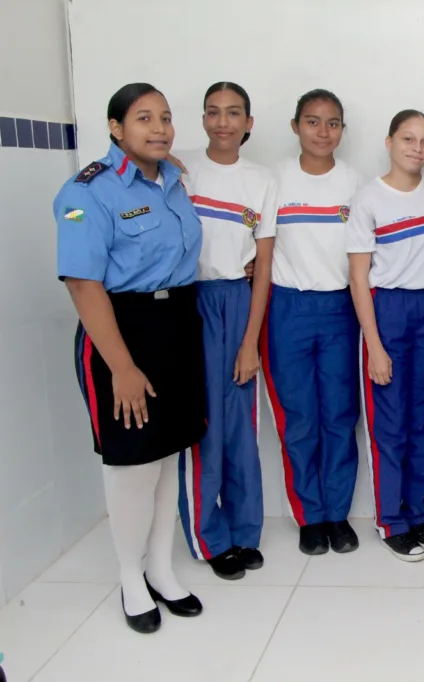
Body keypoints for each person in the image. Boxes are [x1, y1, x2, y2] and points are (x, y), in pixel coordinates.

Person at [54, 83, 204, 633]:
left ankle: (163, 569)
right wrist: (121, 366)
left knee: (168, 457)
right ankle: (130, 576)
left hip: (178, 327)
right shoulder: (86, 193)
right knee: (132, 463)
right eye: (144, 118)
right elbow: (83, 285)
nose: (160, 128)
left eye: (166, 117)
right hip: (120, 332)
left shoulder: (171, 180)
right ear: (116, 128)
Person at [169, 82, 277, 581]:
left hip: (239, 300)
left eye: (234, 113)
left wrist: (251, 340)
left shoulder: (262, 180)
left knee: (241, 425)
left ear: (249, 123)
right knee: (203, 425)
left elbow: (265, 263)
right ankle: (208, 537)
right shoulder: (180, 167)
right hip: (191, 302)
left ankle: (243, 530)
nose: (223, 122)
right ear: (202, 119)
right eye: (213, 112)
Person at [261, 89, 361, 556]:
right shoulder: (273, 180)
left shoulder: (355, 183)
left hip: (341, 310)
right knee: (300, 420)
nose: (323, 132)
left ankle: (337, 515)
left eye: (333, 123)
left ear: (343, 129)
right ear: (295, 126)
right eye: (313, 122)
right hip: (288, 310)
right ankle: (309, 516)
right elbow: (256, 247)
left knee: (340, 417)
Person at [347, 110, 424, 562]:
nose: (417, 148)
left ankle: (416, 512)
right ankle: (391, 519)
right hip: (388, 310)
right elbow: (358, 277)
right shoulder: (368, 198)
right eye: (408, 138)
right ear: (389, 142)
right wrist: (373, 344)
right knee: (390, 422)